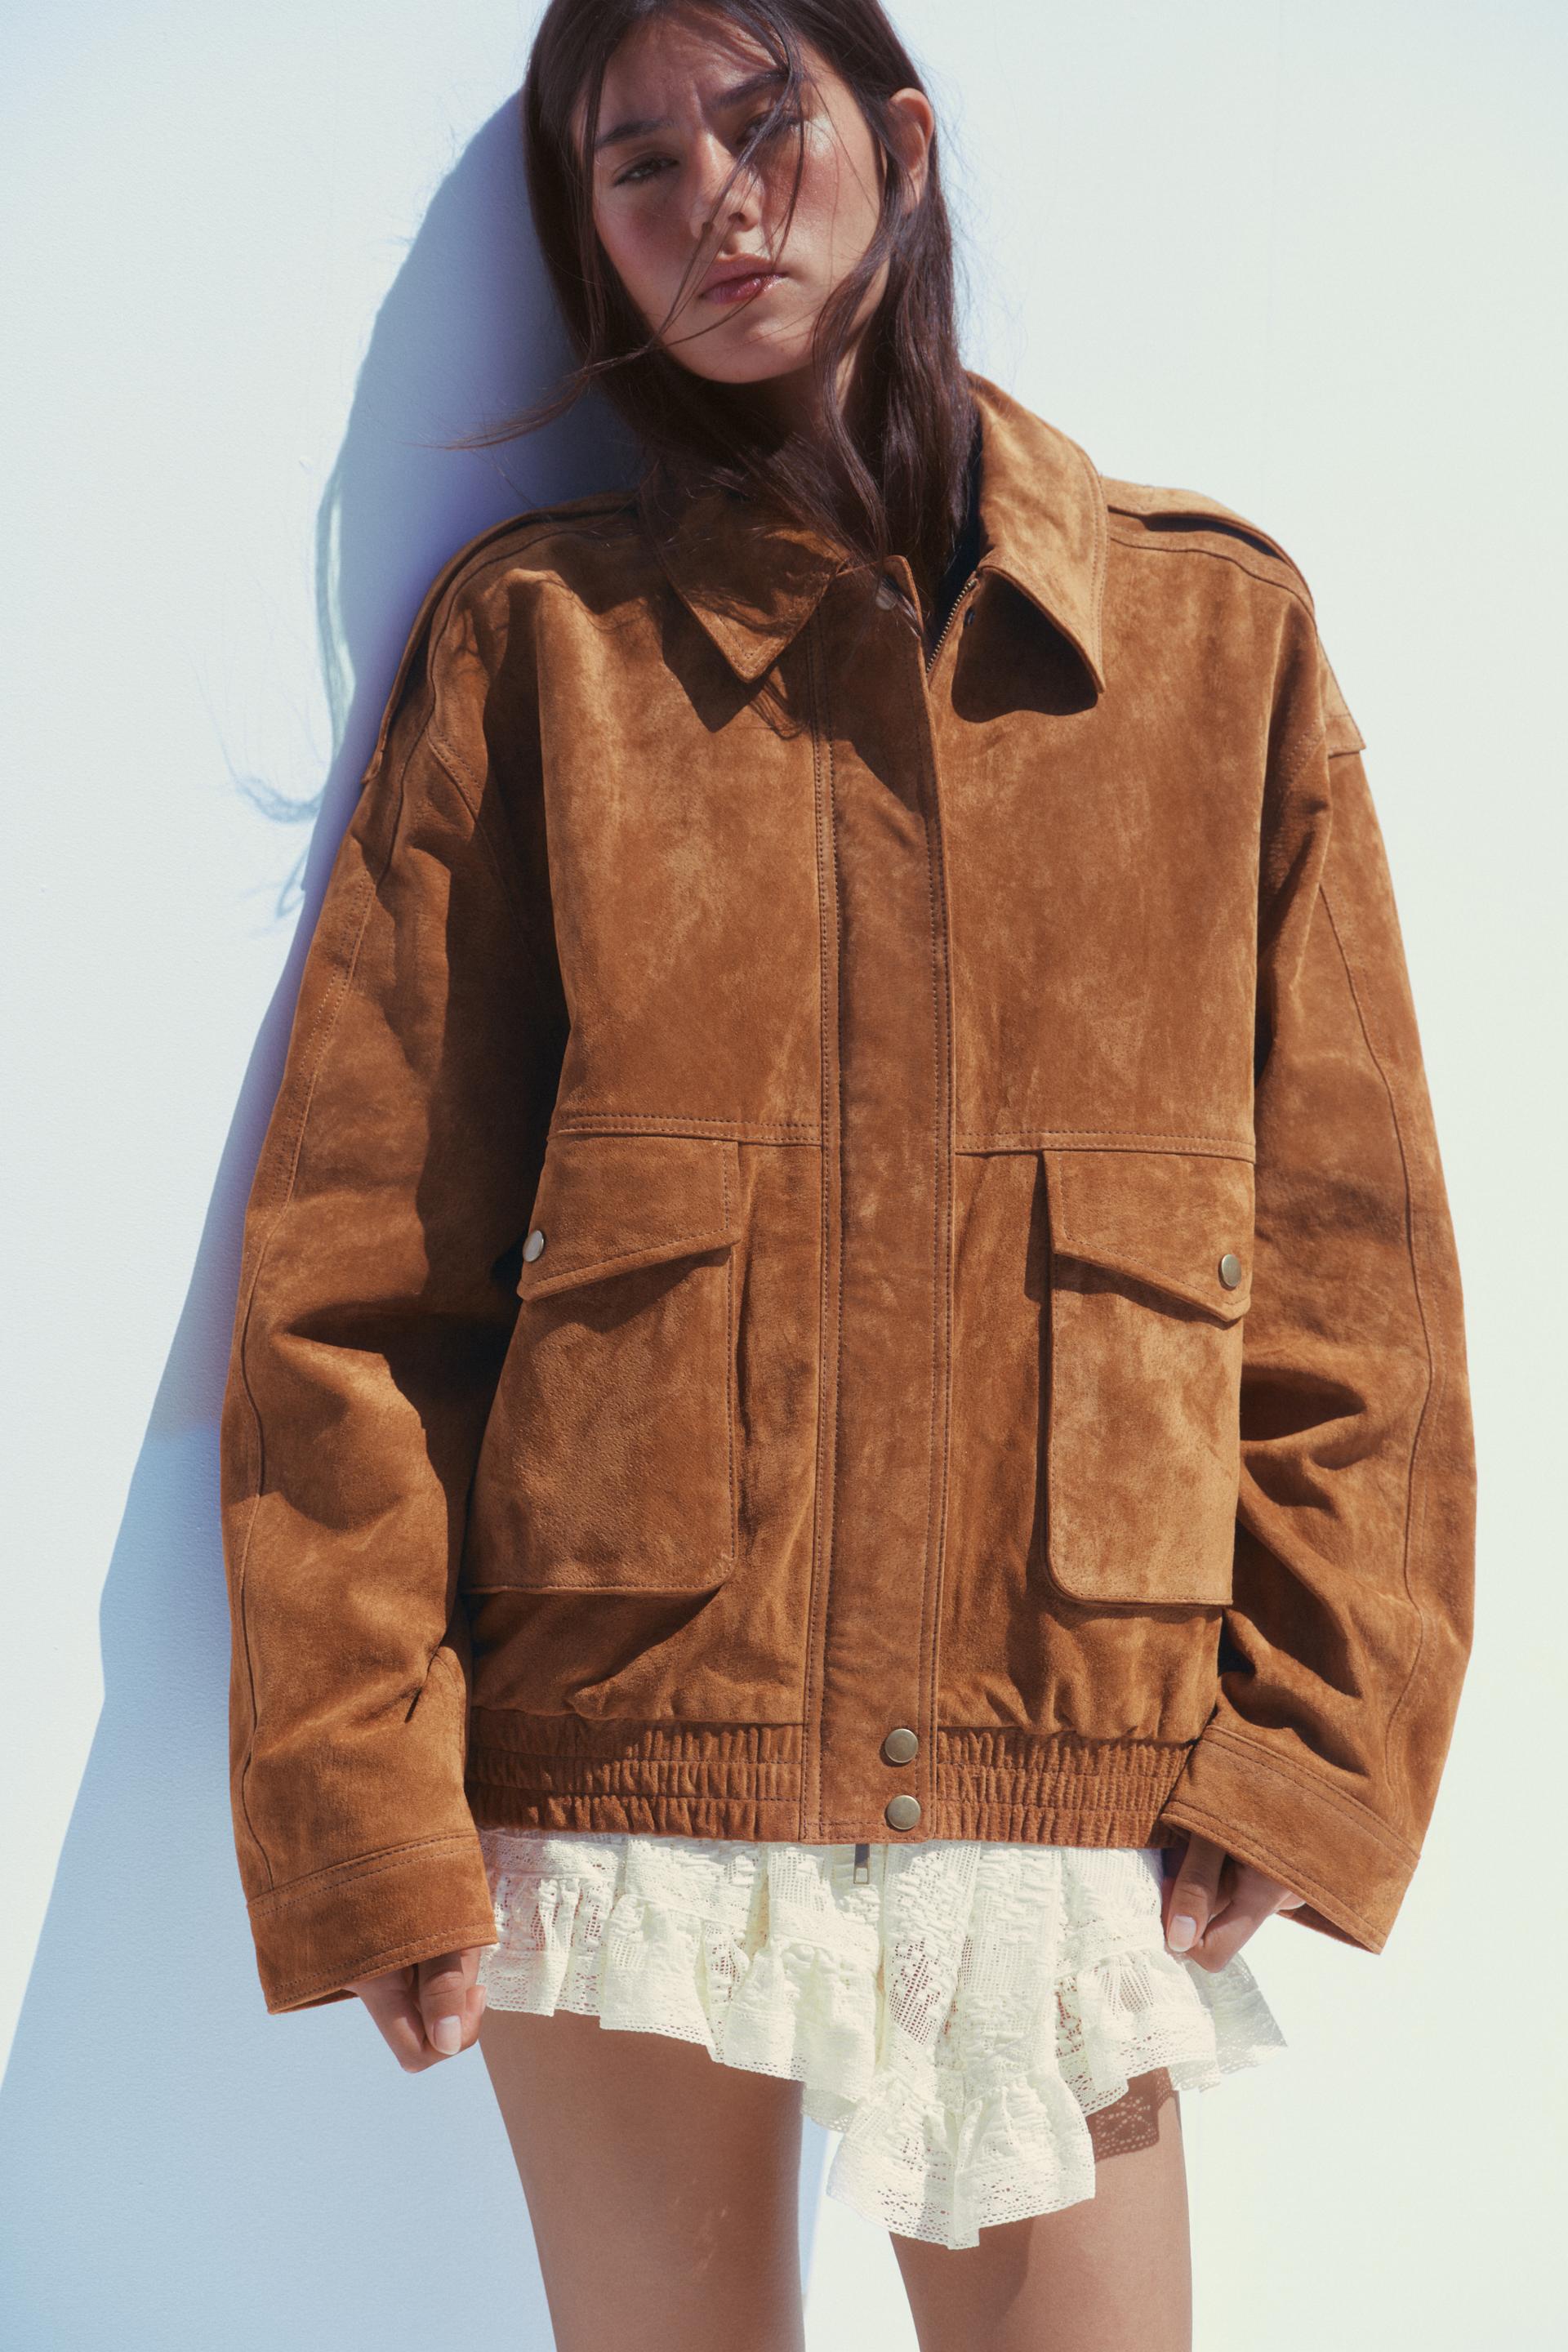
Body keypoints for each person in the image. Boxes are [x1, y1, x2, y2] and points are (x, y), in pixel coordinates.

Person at [218, 3, 1477, 2346]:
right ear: (589, 240)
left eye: (759, 117)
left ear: (897, 142)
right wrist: (359, 1793)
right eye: (635, 163)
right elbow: (355, 1284)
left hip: (1060, 1738)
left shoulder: (1211, 642)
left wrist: (1315, 1741)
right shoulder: (541, 652)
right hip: (630, 1748)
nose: (713, 195)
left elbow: (1356, 1271)